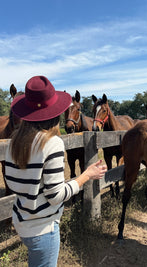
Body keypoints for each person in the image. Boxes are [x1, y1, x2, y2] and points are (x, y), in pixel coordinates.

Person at [4, 75, 107, 267]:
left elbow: (12, 182)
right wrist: (87, 175)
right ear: (55, 112)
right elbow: (55, 195)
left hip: (22, 221)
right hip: (43, 228)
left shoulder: (13, 142)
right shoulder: (52, 143)